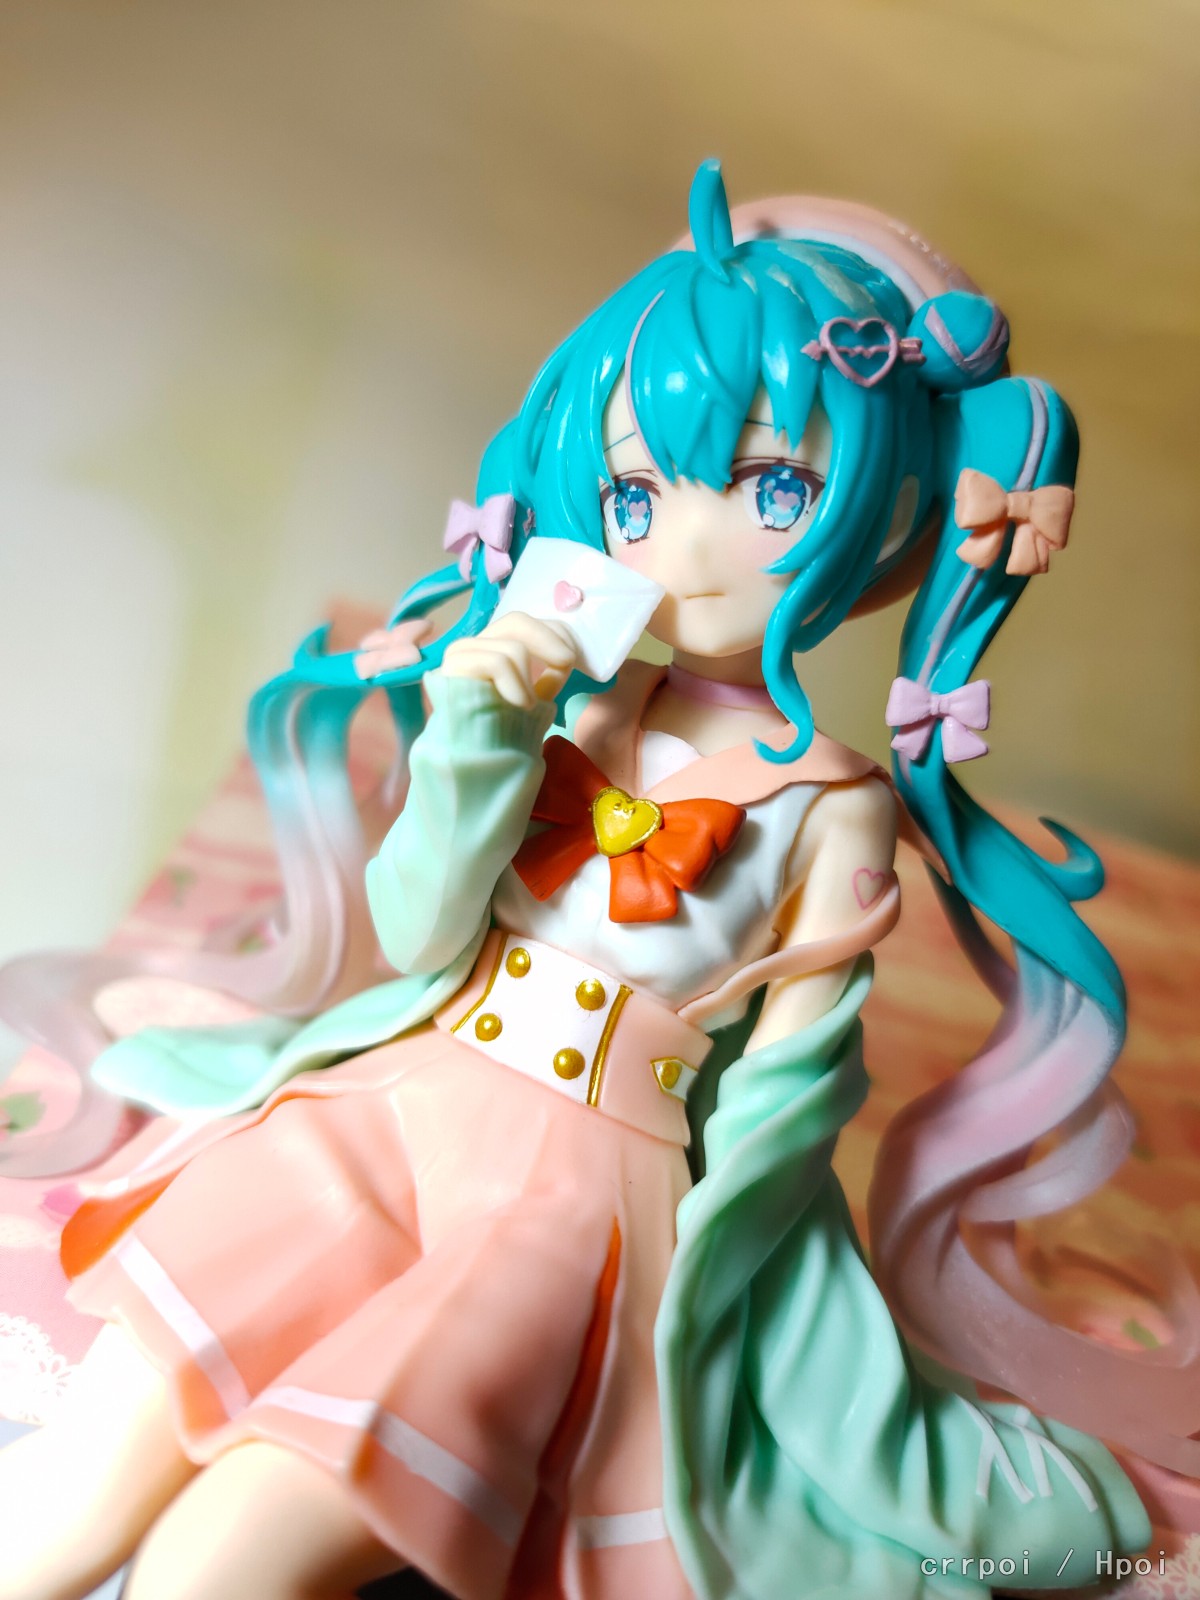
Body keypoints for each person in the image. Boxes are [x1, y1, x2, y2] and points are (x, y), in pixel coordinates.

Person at [0, 160, 1191, 1600]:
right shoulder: (564, 701)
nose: (685, 542)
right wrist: (476, 728)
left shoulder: (834, 808)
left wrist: (766, 1337)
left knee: (234, 1552)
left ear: (885, 510)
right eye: (636, 490)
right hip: (387, 1111)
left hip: (564, 1205)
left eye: (771, 485)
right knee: (79, 1479)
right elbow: (417, 932)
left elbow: (783, 1106)